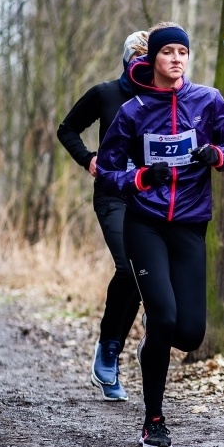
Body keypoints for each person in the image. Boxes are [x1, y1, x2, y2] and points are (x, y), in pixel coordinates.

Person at [97, 22, 224, 447]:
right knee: (163, 317)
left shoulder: (208, 101)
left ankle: (150, 344)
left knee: (190, 333)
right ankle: (154, 420)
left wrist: (216, 155)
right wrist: (140, 178)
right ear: (153, 59)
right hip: (146, 223)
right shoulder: (134, 110)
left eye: (182, 51)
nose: (176, 58)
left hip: (190, 226)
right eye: (168, 52)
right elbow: (107, 171)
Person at [57, 31, 148, 403]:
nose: (145, 63)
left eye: (150, 57)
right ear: (127, 59)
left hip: (151, 197)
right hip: (112, 195)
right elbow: (67, 129)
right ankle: (109, 350)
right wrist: (87, 158)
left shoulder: (164, 99)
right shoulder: (105, 93)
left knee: (143, 274)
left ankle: (146, 332)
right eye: (138, 57)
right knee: (129, 267)